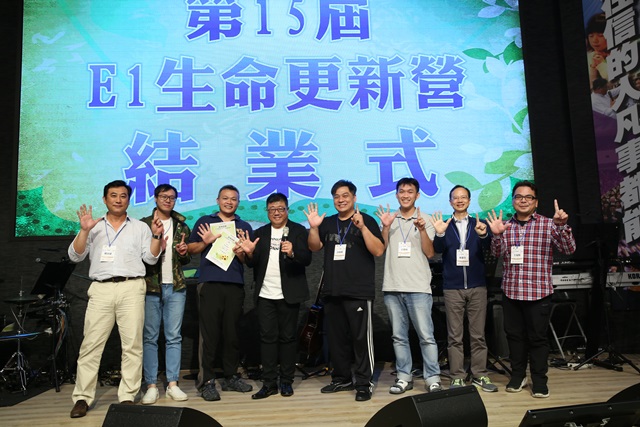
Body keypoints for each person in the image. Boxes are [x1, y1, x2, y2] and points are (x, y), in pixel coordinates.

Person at [67, 180, 163, 418]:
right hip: (101, 289)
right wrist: (84, 230)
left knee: (132, 346)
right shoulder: (94, 226)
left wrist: (156, 236)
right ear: (105, 199)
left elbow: (151, 259)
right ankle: (82, 398)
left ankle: (128, 396)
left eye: (123, 195)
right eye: (113, 195)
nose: (118, 199)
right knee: (90, 346)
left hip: (132, 287)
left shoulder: (140, 227)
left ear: (128, 200)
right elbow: (75, 256)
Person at [486, 181, 575, 398]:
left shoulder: (549, 224)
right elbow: (496, 254)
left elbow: (568, 249)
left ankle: (539, 380)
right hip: (511, 291)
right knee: (514, 337)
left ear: (536, 202)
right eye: (519, 197)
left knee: (537, 339)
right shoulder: (505, 225)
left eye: (529, 197)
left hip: (538, 292)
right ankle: (518, 376)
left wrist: (562, 227)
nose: (523, 200)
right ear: (513, 201)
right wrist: (496, 235)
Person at [304, 179, 384, 402]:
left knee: (361, 340)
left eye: (345, 195)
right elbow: (314, 247)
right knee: (337, 340)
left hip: (358, 291)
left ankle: (364, 383)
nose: (341, 200)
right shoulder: (328, 222)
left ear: (354, 198)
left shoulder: (366, 220)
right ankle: (342, 378)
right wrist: (314, 227)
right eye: (337, 196)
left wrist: (363, 228)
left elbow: (379, 250)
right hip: (332, 291)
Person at [237, 193, 311, 399]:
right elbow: (252, 263)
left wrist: (293, 253)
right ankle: (269, 383)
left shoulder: (298, 231)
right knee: (267, 339)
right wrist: (249, 253)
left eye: (280, 209)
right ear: (267, 211)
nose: (276, 213)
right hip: (265, 294)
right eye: (272, 209)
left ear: (287, 210)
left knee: (288, 338)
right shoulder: (260, 233)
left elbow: (307, 259)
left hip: (289, 294)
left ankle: (286, 381)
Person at [375, 177, 443, 395]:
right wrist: (386, 227)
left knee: (426, 336)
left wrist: (422, 229)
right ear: (397, 195)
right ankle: (404, 377)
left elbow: (430, 253)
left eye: (410, 191)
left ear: (417, 195)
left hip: (419, 287)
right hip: (393, 286)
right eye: (402, 191)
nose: (405, 195)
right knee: (398, 337)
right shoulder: (389, 218)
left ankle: (432, 378)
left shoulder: (427, 219)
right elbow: (380, 250)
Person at [187, 185, 253, 401]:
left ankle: (231, 376)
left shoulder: (243, 226)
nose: (229, 202)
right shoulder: (205, 222)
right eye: (225, 198)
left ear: (238, 202)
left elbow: (248, 260)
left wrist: (242, 253)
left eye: (233, 199)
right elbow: (191, 249)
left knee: (232, 334)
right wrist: (205, 242)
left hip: (234, 284)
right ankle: (206, 381)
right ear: (218, 200)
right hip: (210, 283)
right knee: (209, 335)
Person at [431, 185, 497, 392]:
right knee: (455, 336)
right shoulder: (444, 224)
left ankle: (479, 374)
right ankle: (457, 376)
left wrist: (484, 235)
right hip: (453, 287)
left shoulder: (480, 223)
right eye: (455, 198)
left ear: (469, 200)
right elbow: (437, 250)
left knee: (478, 335)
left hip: (477, 285)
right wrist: (439, 234)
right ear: (450, 201)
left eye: (463, 197)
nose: (459, 201)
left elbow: (489, 249)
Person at [139, 184, 191, 404]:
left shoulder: (182, 225)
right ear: (155, 198)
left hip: (176, 287)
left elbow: (185, 260)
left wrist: (184, 252)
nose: (168, 200)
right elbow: (139, 257)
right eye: (164, 196)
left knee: (174, 337)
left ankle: (172, 384)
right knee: (150, 337)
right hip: (151, 287)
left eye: (172, 197)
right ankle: (151, 385)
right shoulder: (143, 224)